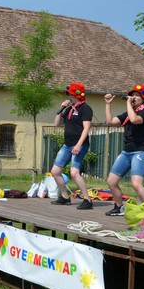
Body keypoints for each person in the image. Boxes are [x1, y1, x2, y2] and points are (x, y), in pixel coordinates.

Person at [103, 84, 144, 216]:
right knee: (111, 181)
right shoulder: (128, 113)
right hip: (127, 151)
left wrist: (128, 103)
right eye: (133, 95)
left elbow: (134, 119)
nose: (134, 97)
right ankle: (119, 207)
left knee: (136, 184)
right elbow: (110, 122)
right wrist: (108, 104)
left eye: (137, 95)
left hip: (141, 151)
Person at [50, 82, 94, 210]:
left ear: (77, 95)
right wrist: (61, 109)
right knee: (55, 171)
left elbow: (86, 128)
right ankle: (64, 197)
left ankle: (87, 199)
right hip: (67, 144)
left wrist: (78, 145)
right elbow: (56, 124)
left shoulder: (85, 109)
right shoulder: (69, 109)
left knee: (74, 173)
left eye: (71, 95)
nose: (69, 97)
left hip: (79, 144)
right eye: (69, 95)